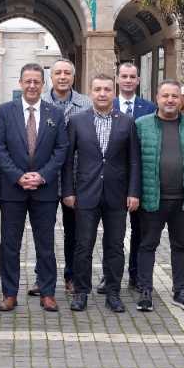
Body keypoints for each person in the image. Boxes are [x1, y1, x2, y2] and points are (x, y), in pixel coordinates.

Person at [62, 73, 142, 313]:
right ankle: (81, 292)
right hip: (85, 193)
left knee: (115, 245)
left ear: (113, 91)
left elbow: (134, 162)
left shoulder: (127, 122)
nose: (103, 94)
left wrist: (133, 192)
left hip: (117, 195)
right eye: (97, 89)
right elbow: (67, 162)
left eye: (107, 89)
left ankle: (113, 293)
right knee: (83, 245)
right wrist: (68, 191)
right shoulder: (77, 121)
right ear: (91, 92)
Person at [0, 63, 69, 312]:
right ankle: (9, 293)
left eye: (37, 81)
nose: (32, 85)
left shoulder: (55, 113)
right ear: (21, 83)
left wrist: (43, 175)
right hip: (13, 190)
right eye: (28, 81)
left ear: (43, 84)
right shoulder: (5, 111)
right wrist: (18, 176)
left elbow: (61, 150)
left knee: (46, 244)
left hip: (45, 190)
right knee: (10, 244)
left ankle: (48, 293)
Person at [135, 80, 184, 311]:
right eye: (165, 96)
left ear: (181, 100)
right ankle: (145, 291)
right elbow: (133, 163)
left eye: (175, 96)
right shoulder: (141, 125)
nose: (170, 100)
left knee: (181, 245)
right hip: (152, 198)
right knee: (147, 245)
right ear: (157, 98)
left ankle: (180, 291)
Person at [41, 57, 91, 295]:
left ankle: (72, 275)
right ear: (51, 77)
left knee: (74, 233)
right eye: (58, 72)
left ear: (73, 76)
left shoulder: (86, 104)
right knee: (44, 233)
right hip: (46, 178)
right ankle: (42, 278)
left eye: (67, 73)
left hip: (76, 179)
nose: (62, 77)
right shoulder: (38, 102)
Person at [113, 61, 155, 293]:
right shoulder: (107, 104)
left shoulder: (149, 108)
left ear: (138, 80)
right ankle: (111, 276)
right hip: (113, 179)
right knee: (114, 233)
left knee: (140, 231)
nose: (128, 80)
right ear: (118, 79)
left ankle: (136, 275)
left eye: (132, 77)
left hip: (141, 178)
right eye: (124, 76)